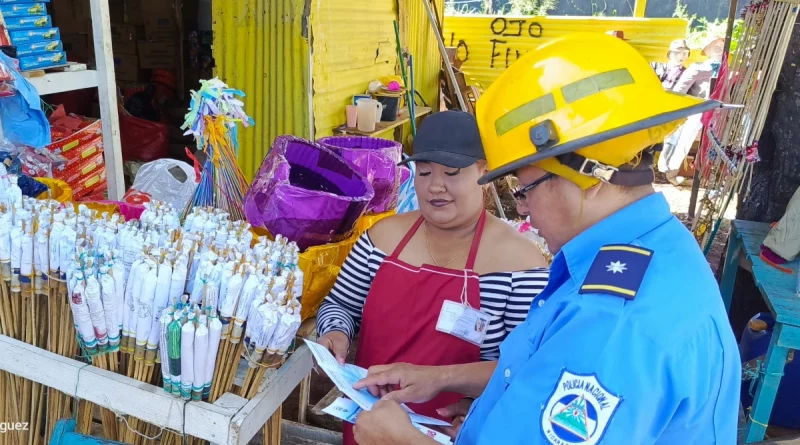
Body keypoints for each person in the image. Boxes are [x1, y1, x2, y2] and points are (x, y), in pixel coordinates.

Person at [350, 32, 740, 445]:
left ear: (589, 175)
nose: (522, 209)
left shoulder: (612, 325)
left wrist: (402, 441)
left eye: (525, 188)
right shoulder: (656, 248)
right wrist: (445, 380)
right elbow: (533, 373)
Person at [315, 110, 549, 445]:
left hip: (456, 432)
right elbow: (340, 304)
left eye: (452, 173)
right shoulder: (382, 239)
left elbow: (528, 369)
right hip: (370, 425)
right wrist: (335, 331)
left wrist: (445, 381)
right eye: (424, 172)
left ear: (484, 171)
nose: (435, 186)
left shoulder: (521, 265)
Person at [659, 36, 725, 185]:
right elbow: (679, 91)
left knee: (717, 143)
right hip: (696, 111)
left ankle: (709, 175)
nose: (719, 49)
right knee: (682, 139)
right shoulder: (697, 68)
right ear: (707, 50)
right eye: (715, 46)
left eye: (721, 45)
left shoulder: (728, 71)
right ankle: (670, 172)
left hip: (717, 114)